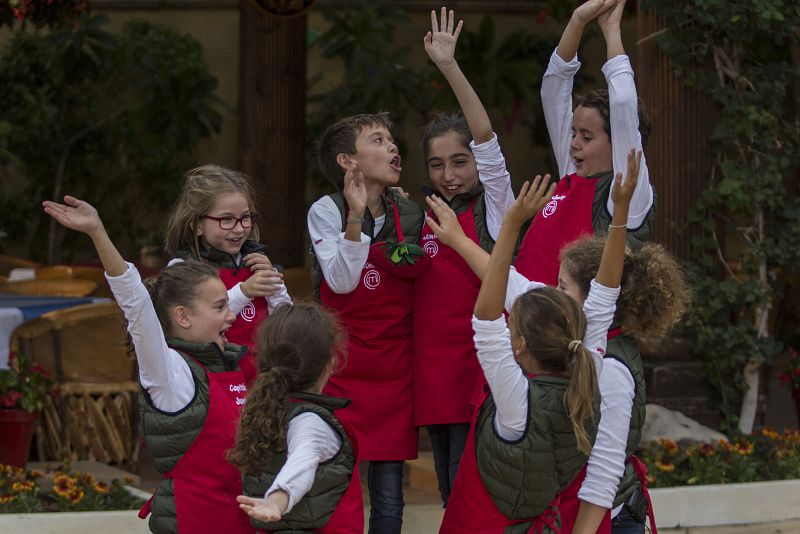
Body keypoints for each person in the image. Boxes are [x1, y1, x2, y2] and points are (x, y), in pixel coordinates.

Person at [426, 149, 640, 532]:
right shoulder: (585, 367)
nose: (551, 289)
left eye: (560, 285)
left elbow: (487, 318)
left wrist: (510, 226)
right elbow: (604, 293)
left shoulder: (516, 403)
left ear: (520, 345)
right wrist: (619, 215)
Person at [42, 196, 254, 534]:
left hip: (240, 520)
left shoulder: (227, 365)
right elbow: (136, 303)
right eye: (219, 307)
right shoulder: (169, 372)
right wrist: (98, 232)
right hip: (194, 521)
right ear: (182, 317)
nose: (232, 315)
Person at [414, 6, 516, 506]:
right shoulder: (422, 217)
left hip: (482, 362)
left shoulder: (497, 209)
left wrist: (449, 67)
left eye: (460, 161)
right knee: (447, 482)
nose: (449, 174)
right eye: (437, 165)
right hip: (435, 367)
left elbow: (488, 142)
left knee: (469, 482)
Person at [307, 113, 427, 533]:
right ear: (348, 161)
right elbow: (341, 282)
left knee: (390, 493)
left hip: (394, 367)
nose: (393, 147)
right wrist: (356, 216)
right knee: (335, 478)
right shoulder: (326, 210)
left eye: (392, 140)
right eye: (378, 140)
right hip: (341, 365)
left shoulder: (411, 214)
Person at [514, 0, 654, 287]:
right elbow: (553, 90)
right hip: (525, 324)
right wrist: (577, 20)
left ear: (618, 142)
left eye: (586, 137)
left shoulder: (628, 193)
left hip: (575, 330)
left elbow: (624, 103)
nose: (573, 143)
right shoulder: (572, 173)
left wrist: (612, 31)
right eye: (574, 133)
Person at [558, 237, 688, 534]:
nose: (555, 294)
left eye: (563, 287)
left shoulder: (612, 368)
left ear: (594, 296)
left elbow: (605, 470)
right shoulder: (596, 348)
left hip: (610, 519)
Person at [229, 302, 364, 533]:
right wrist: (276, 501)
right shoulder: (310, 421)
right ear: (330, 364)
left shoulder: (265, 408)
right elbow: (302, 463)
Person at [164, 165, 291, 384]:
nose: (240, 228)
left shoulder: (254, 261)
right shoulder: (183, 267)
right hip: (210, 383)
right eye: (226, 219)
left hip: (261, 383)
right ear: (197, 225)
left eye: (245, 218)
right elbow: (194, 320)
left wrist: (274, 285)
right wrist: (245, 291)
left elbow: (285, 322)